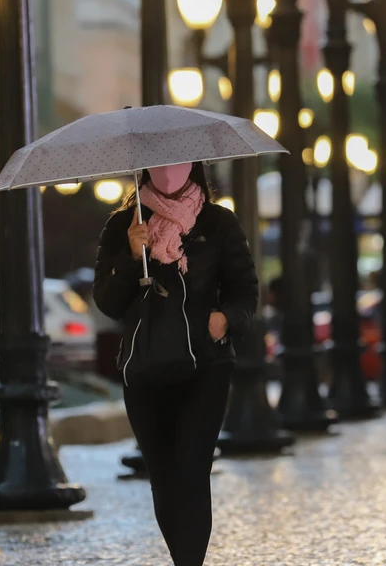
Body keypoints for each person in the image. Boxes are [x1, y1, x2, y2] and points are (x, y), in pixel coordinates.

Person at [93, 162, 257, 566]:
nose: (168, 171)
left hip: (205, 366)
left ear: (194, 166)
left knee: (191, 471)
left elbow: (246, 291)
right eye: (159, 165)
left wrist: (225, 320)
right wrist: (133, 256)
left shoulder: (218, 222)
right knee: (164, 479)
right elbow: (108, 303)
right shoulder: (122, 226)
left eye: (177, 163)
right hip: (145, 369)